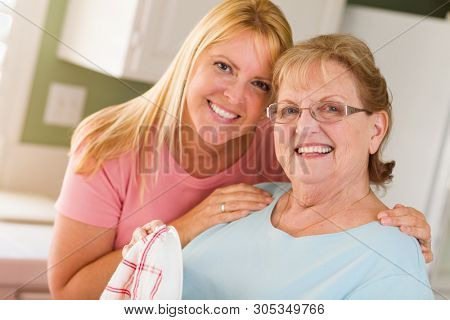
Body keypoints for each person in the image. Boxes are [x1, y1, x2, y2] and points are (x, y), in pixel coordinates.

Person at [48, 0, 431, 300]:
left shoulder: (280, 143)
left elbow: (341, 188)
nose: (234, 95)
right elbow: (68, 293)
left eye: (261, 84)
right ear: (190, 59)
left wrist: (403, 232)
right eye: (223, 66)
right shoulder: (112, 142)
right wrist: (186, 226)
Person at [181, 34, 434, 299]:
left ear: (375, 130)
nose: (303, 127)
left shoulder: (392, 259)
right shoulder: (250, 200)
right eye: (289, 110)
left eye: (331, 109)